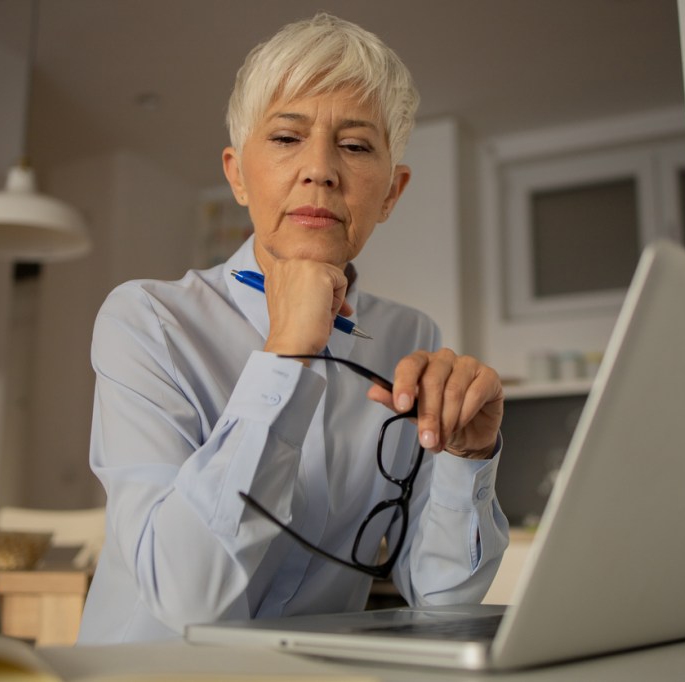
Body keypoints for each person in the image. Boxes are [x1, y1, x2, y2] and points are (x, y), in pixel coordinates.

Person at [78, 13, 509, 644]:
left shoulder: (410, 336)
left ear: (391, 192)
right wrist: (285, 356)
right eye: (286, 138)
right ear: (237, 175)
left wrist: (468, 459)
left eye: (357, 146)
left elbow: (442, 599)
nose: (320, 170)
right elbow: (186, 598)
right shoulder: (147, 320)